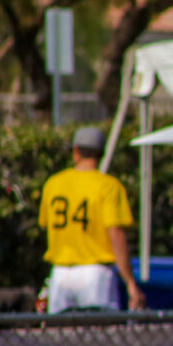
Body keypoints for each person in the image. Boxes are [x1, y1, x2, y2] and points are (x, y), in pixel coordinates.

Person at [38, 126, 145, 313]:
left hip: (60, 274)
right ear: (101, 154)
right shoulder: (108, 186)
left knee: (59, 338)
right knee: (98, 337)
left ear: (76, 151)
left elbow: (46, 226)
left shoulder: (53, 184)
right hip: (96, 275)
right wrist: (130, 282)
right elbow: (116, 236)